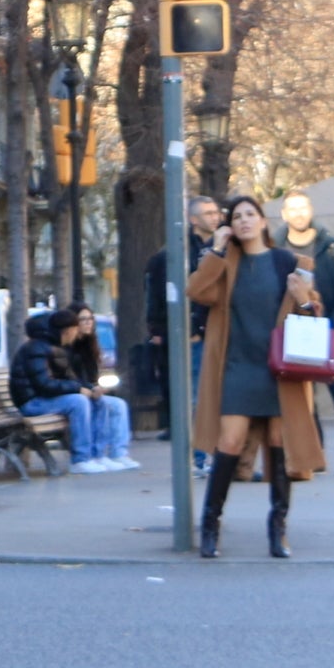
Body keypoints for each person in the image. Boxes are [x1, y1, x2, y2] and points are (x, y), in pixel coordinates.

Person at [187, 196, 325, 558]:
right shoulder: (226, 263)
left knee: (280, 448)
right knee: (229, 443)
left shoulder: (289, 263)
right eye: (237, 216)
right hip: (236, 368)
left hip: (280, 371)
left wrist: (304, 299)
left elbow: (313, 319)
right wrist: (216, 250)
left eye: (251, 215)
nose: (244, 221)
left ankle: (278, 529)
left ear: (264, 221)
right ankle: (210, 525)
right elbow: (196, 292)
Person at [279, 191, 334, 476]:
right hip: (293, 334)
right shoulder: (276, 248)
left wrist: (331, 326)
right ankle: (314, 456)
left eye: (303, 207)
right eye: (293, 208)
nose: (299, 213)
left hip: (330, 332)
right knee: (304, 400)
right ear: (284, 214)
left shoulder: (332, 246)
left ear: (311, 210)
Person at [144, 195, 221, 475]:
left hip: (222, 332)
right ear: (192, 218)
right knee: (198, 398)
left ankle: (222, 456)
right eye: (208, 213)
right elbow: (164, 295)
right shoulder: (176, 253)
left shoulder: (224, 246)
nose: (215, 217)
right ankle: (201, 458)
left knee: (219, 396)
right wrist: (174, 330)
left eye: (216, 212)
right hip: (194, 335)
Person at [11, 309, 112, 472]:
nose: (77, 333)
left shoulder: (55, 347)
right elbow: (43, 385)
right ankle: (80, 459)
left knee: (96, 400)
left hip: (44, 399)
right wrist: (78, 389)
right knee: (78, 402)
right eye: (75, 329)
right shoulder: (37, 349)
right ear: (69, 330)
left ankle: (97, 455)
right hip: (31, 402)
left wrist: (90, 388)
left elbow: (68, 378)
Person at [67, 302, 137, 469]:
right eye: (82, 319)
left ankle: (119, 453)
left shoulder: (89, 344)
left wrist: (99, 386)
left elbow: (91, 376)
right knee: (102, 404)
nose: (87, 322)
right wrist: (91, 389)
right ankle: (94, 455)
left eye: (90, 319)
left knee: (119, 405)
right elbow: (69, 376)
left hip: (88, 390)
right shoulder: (68, 346)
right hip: (77, 393)